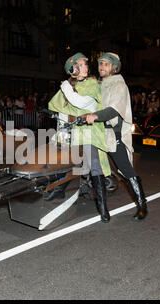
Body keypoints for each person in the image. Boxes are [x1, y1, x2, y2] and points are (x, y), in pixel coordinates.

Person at [47, 52, 112, 223]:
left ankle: (103, 208)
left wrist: (66, 88)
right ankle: (60, 189)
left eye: (85, 64)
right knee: (70, 164)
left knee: (95, 168)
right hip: (73, 133)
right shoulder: (68, 86)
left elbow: (82, 103)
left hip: (90, 132)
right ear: (73, 69)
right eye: (81, 65)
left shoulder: (92, 84)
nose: (86, 67)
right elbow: (55, 105)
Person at [84, 52, 148, 221]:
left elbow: (114, 110)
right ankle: (103, 210)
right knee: (95, 171)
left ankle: (142, 205)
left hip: (112, 134)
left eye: (105, 64)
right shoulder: (98, 85)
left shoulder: (119, 85)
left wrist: (95, 116)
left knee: (125, 169)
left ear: (114, 67)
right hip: (96, 134)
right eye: (100, 64)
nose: (101, 67)